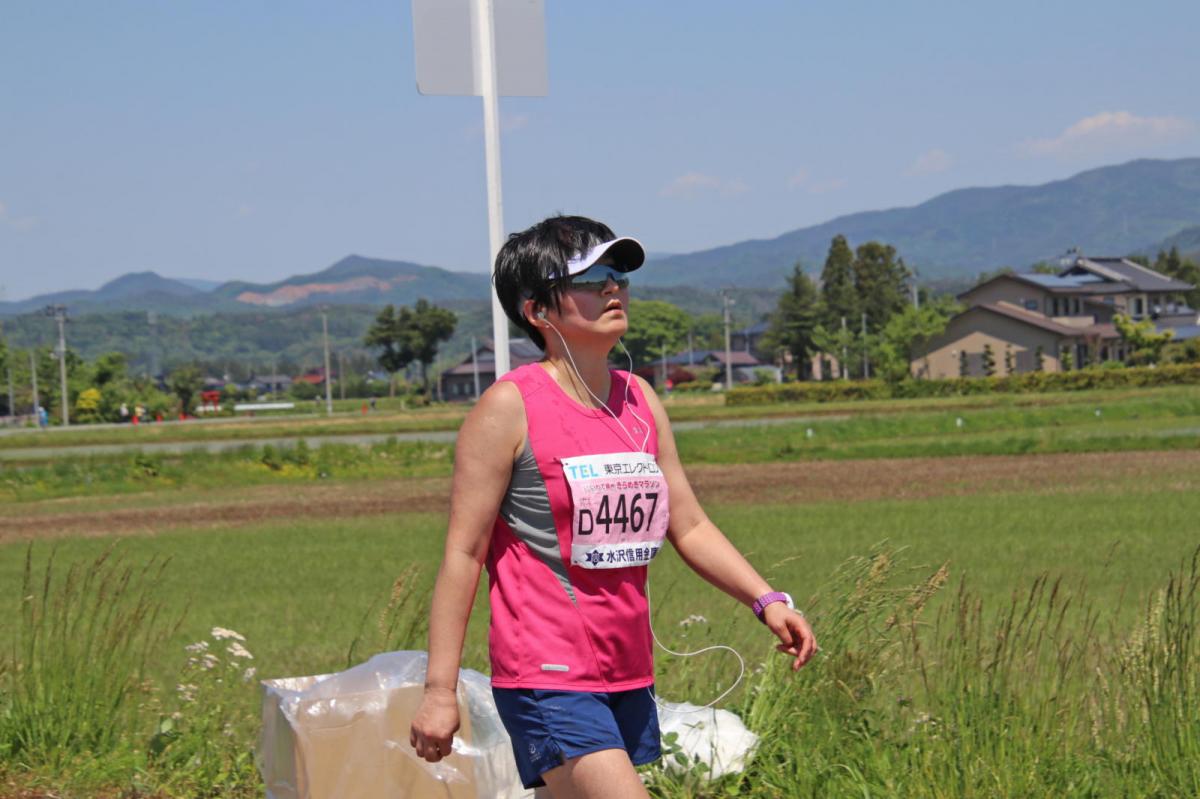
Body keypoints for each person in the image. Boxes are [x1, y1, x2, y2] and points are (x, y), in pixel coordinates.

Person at [409, 215, 816, 799]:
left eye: (618, 273)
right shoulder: (508, 408)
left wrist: (767, 600)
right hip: (546, 671)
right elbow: (464, 553)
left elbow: (690, 524)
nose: (613, 287)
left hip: (627, 668)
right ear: (538, 310)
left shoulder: (639, 399)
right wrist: (439, 691)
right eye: (591, 276)